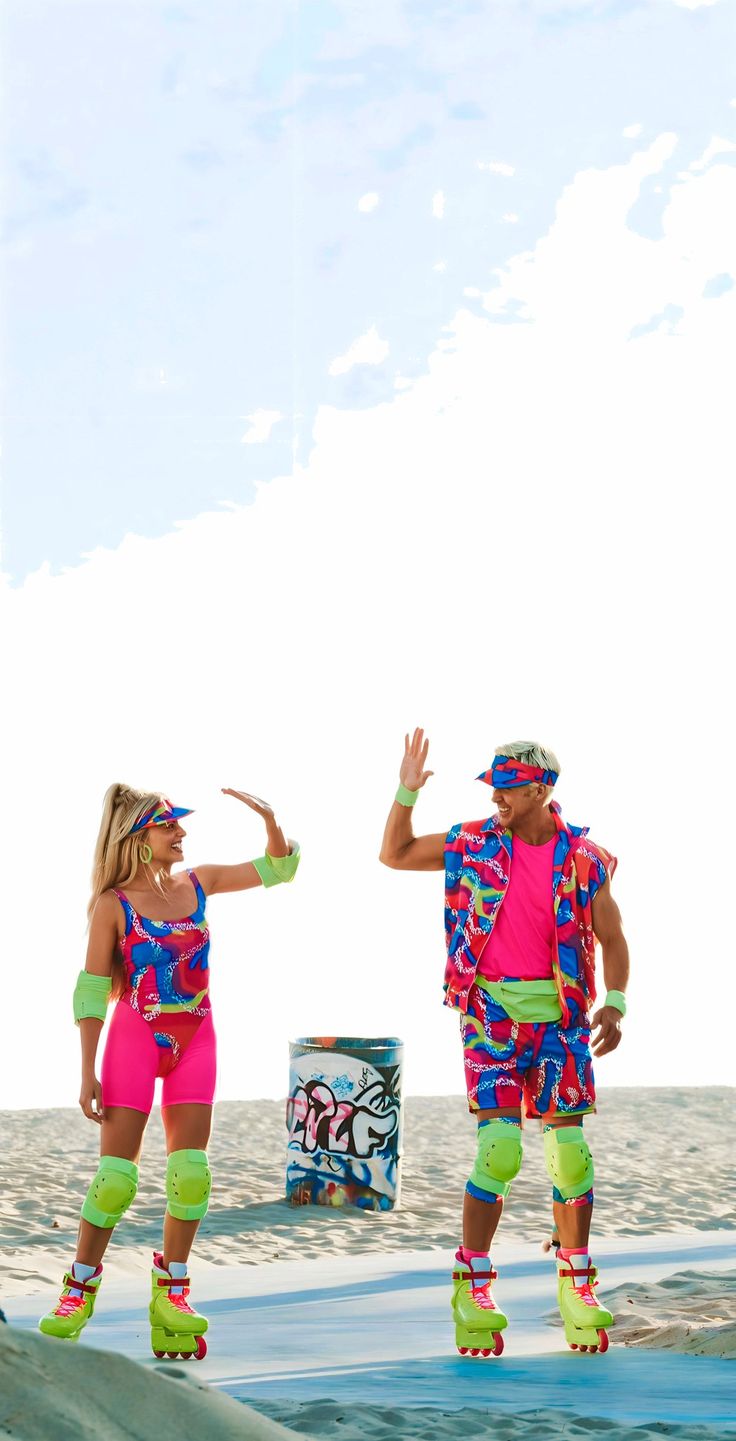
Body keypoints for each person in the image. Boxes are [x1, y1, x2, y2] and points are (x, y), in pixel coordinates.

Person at [380, 731, 629, 1357]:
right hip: (489, 1011)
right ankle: (474, 1282)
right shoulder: (473, 842)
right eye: (492, 785)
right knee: (500, 1150)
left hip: (562, 1018)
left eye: (508, 787)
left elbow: (614, 936)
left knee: (569, 1153)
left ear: (540, 790)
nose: (496, 796)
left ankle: (576, 1282)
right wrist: (407, 789)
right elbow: (396, 852)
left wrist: (616, 1004)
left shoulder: (585, 859)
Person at [39, 783, 300, 1358]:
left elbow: (279, 870)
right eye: (169, 826)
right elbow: (89, 988)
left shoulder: (199, 882)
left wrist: (270, 819)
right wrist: (86, 1069)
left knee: (191, 1174)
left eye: (180, 825)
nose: (181, 833)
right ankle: (78, 1288)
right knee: (115, 1181)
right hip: (135, 1038)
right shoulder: (113, 903)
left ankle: (172, 1292)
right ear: (139, 836)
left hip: (196, 1039)